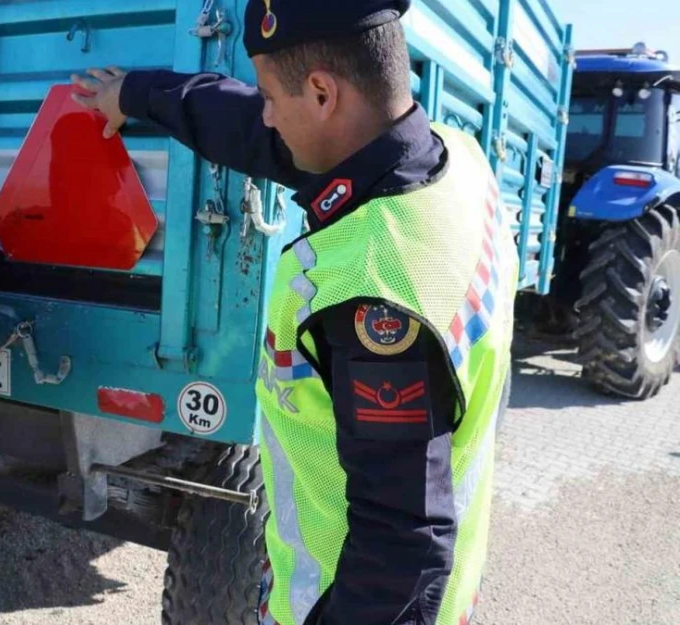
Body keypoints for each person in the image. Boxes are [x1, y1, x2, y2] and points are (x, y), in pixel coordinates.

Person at [72, 1, 518, 624]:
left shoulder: (372, 292)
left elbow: (400, 549)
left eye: (270, 96)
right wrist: (139, 94)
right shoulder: (456, 160)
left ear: (321, 92)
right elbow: (255, 134)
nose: (266, 115)